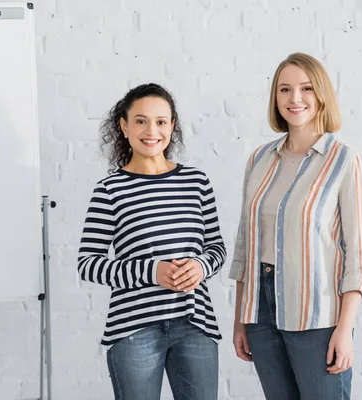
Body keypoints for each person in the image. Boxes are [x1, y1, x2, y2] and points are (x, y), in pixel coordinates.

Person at [229, 52, 362, 399]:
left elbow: (359, 254)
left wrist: (345, 328)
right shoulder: (259, 159)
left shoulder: (345, 161)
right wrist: (241, 318)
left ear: (321, 93)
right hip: (260, 312)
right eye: (284, 89)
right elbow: (245, 244)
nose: (294, 99)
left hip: (318, 314)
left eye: (306, 88)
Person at [77, 83, 226, 400]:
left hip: (194, 324)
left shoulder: (196, 182)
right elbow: (88, 264)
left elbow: (216, 249)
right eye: (141, 120)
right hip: (134, 330)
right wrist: (151, 271)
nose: (151, 130)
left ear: (172, 126)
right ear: (124, 126)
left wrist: (200, 266)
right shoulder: (110, 189)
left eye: (161, 121)